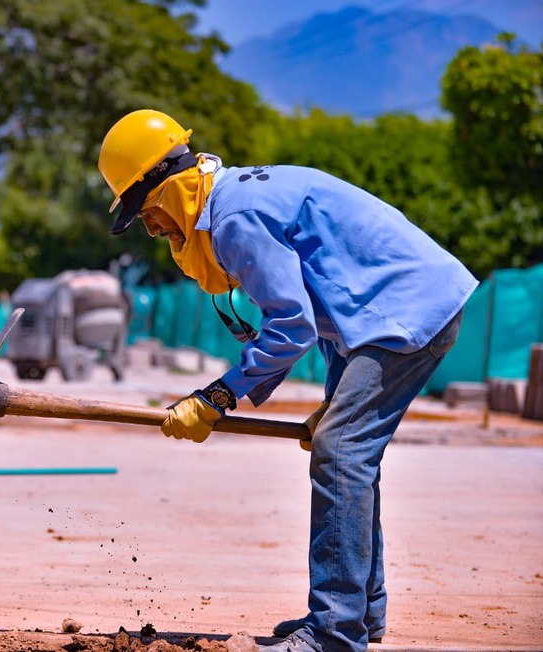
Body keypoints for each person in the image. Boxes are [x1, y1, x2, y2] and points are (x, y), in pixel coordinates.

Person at [97, 109, 477, 652]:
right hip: (388, 314)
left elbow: (291, 325)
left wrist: (217, 396)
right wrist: (333, 399)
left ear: (169, 186)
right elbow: (326, 299)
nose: (152, 227)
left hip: (405, 314)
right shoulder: (234, 201)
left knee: (341, 453)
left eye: (147, 211)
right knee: (346, 451)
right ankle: (360, 615)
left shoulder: (233, 219)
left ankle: (334, 633)